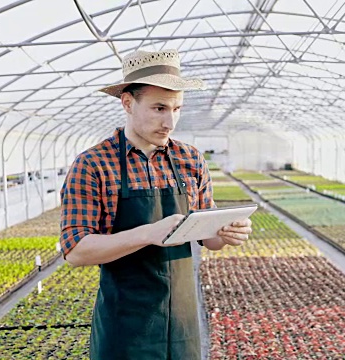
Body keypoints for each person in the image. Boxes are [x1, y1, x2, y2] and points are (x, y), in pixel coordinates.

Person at [58, 49, 253, 360]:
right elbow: (76, 251)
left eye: (177, 109)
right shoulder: (93, 165)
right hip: (125, 328)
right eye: (159, 108)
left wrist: (227, 233)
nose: (170, 121)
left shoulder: (189, 159)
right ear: (127, 103)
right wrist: (149, 233)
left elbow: (208, 238)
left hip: (182, 324)